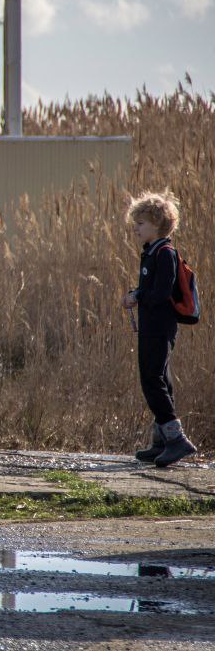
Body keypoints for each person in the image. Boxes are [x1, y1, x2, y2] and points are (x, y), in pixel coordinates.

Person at [123, 192, 198, 468]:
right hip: (152, 326)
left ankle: (176, 438)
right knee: (161, 380)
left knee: (152, 379)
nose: (136, 228)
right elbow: (151, 290)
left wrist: (137, 297)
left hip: (159, 327)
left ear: (157, 224)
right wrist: (138, 293)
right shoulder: (152, 252)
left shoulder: (164, 254)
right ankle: (161, 441)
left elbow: (161, 292)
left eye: (140, 223)